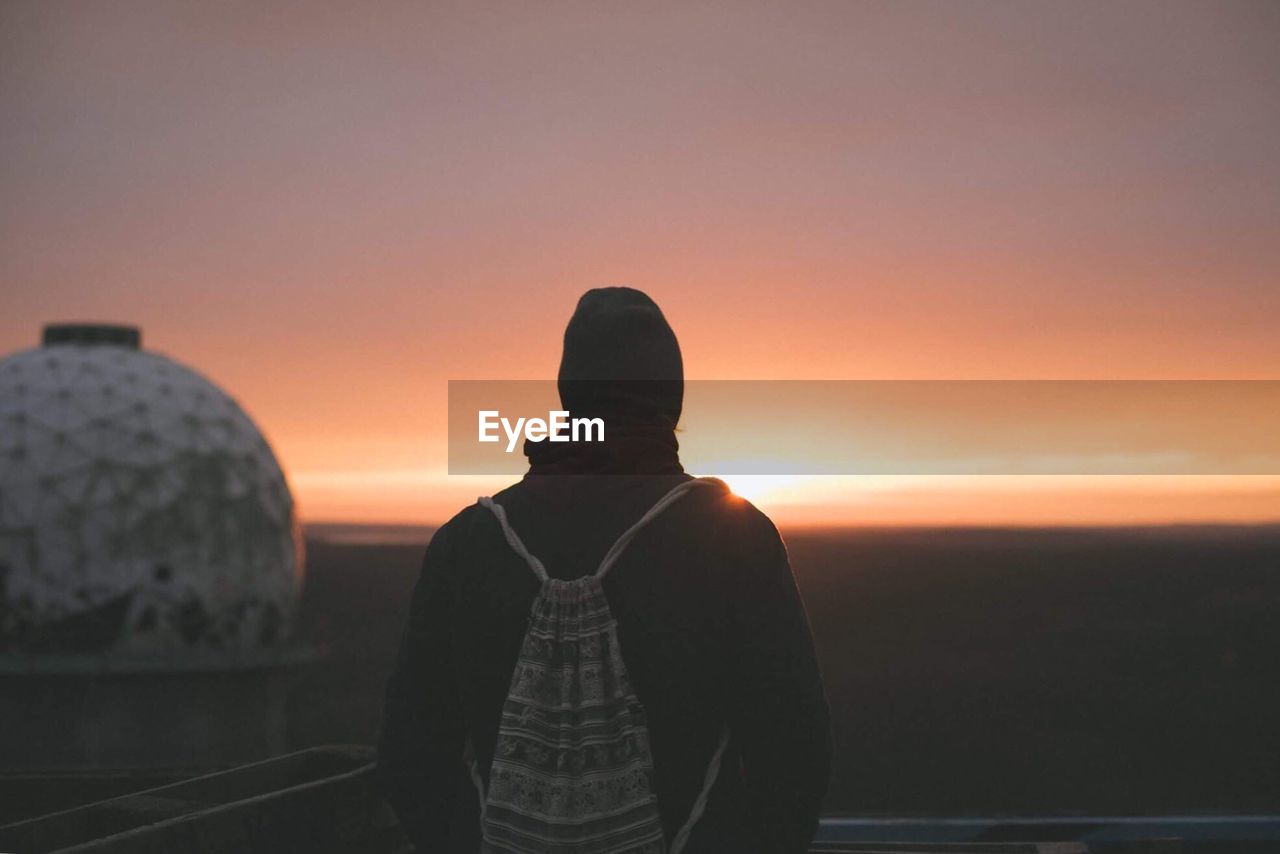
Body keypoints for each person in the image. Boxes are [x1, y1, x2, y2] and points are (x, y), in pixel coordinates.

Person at [377, 287, 831, 853]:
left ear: (570, 396)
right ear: (673, 399)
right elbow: (794, 752)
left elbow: (409, 753)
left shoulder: (466, 543)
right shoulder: (732, 535)